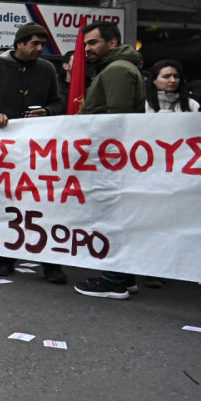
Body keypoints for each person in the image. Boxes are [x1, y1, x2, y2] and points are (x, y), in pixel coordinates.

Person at [0, 23, 67, 282]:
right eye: (34, 43)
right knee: (7, 203)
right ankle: (4, 256)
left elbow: (57, 102)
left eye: (42, 44)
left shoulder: (46, 69)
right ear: (19, 43)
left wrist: (48, 111)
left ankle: (51, 262)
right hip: (4, 150)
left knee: (43, 204)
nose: (39, 49)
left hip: (38, 149)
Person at [75, 22, 145, 300]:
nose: (87, 49)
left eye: (92, 43)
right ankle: (124, 277)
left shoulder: (117, 70)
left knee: (111, 216)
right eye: (85, 44)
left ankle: (114, 280)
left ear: (112, 43)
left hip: (110, 160)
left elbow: (116, 119)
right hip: (110, 158)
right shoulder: (116, 68)